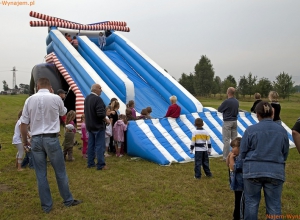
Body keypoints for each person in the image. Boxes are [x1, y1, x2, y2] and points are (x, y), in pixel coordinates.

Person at [20, 77, 81, 213]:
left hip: (35, 139)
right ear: (50, 86)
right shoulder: (55, 98)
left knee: (41, 174)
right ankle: (68, 200)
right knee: (60, 171)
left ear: (37, 86)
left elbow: (23, 123)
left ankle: (46, 206)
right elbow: (63, 112)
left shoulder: (29, 100)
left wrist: (25, 142)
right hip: (51, 138)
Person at [240, 101, 289, 219]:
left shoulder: (250, 130)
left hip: (253, 171)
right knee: (274, 205)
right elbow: (285, 152)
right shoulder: (282, 131)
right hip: (275, 171)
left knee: (251, 203)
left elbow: (243, 152)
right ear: (272, 113)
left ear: (257, 114)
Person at [84, 84, 108, 170]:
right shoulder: (98, 99)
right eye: (100, 88)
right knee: (99, 145)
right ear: (95, 89)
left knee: (91, 144)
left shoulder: (87, 99)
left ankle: (90, 163)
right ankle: (101, 164)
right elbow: (100, 114)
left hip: (90, 125)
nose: (101, 90)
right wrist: (107, 120)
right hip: (98, 126)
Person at [218, 87, 239, 160]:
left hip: (227, 121)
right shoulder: (236, 101)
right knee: (234, 139)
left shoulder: (227, 102)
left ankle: (226, 156)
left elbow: (219, 109)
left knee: (226, 140)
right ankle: (235, 154)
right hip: (234, 121)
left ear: (228, 93)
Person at [226, 137, 244, 220]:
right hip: (236, 183)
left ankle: (239, 216)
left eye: (233, 147)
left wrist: (231, 158)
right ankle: (236, 215)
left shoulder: (241, 157)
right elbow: (228, 164)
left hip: (241, 184)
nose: (232, 149)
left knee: (240, 200)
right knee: (237, 200)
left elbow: (234, 168)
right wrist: (229, 157)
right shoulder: (235, 156)